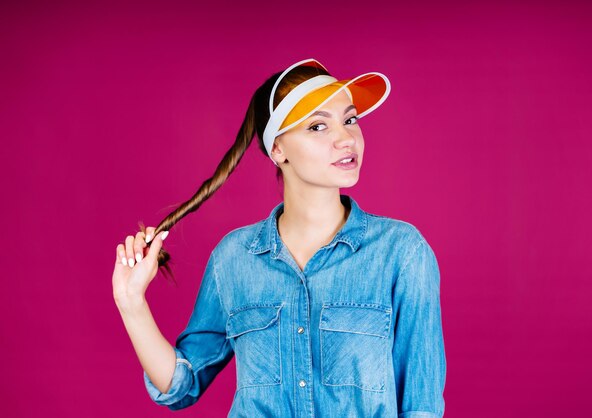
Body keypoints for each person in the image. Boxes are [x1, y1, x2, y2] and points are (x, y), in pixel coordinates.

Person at [112, 58, 446, 417]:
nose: (346, 138)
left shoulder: (402, 253)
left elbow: (421, 405)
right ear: (277, 150)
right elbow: (181, 386)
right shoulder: (234, 258)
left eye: (350, 120)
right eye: (319, 126)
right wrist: (132, 303)